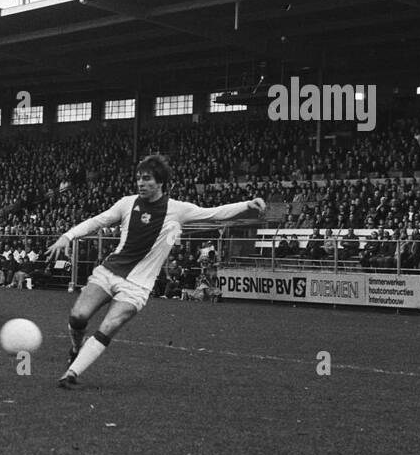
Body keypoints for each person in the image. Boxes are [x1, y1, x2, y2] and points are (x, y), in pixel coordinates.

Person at [45, 155, 265, 388]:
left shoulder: (178, 210)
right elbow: (98, 221)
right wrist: (67, 236)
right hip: (109, 271)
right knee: (78, 317)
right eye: (138, 178)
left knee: (109, 325)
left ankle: (71, 374)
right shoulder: (127, 203)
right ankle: (76, 348)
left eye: (146, 178)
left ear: (160, 182)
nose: (140, 183)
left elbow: (213, 213)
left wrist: (246, 205)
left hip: (138, 286)